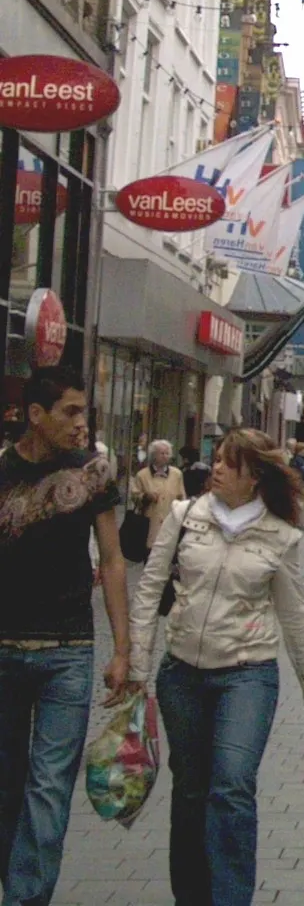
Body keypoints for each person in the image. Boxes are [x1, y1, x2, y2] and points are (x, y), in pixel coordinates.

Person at [130, 428, 304, 906]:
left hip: (247, 674)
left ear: (254, 476)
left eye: (228, 462)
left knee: (233, 785)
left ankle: (231, 898)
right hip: (182, 673)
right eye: (216, 459)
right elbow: (148, 590)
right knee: (191, 791)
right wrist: (137, 667)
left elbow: (295, 615)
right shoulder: (184, 518)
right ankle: (193, 896)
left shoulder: (280, 536)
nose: (215, 467)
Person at [0, 370, 131, 906]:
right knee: (8, 786)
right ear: (36, 415)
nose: (82, 424)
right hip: (4, 646)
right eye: (71, 412)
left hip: (70, 652)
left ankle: (26, 899)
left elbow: (114, 559)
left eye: (85, 413)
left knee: (50, 784)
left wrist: (123, 650)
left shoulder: (93, 474)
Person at [130, 438, 186, 553]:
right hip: (149, 526)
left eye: (167, 453)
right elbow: (134, 496)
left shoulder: (177, 474)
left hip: (170, 525)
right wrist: (146, 497)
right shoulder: (142, 475)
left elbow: (182, 497)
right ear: (153, 455)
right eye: (162, 453)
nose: (165, 456)